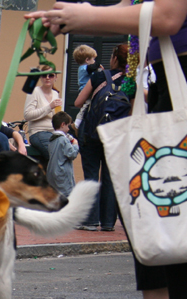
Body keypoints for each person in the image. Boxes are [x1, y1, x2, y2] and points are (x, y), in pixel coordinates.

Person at [28, 0, 187, 299]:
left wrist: (86, 17)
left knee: (177, 204)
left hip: (186, 68)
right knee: (145, 204)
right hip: (167, 73)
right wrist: (70, 15)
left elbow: (167, 16)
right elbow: (141, 8)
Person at [73, 44, 127, 232]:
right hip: (116, 135)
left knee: (91, 175)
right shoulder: (131, 82)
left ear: (114, 59)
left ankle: (90, 220)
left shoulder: (98, 76)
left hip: (92, 132)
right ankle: (108, 222)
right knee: (111, 177)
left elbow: (78, 101)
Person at [23, 64, 63, 162]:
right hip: (38, 132)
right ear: (40, 77)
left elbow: (56, 118)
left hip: (53, 132)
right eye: (44, 75)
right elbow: (27, 115)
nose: (47, 78)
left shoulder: (55, 94)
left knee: (66, 150)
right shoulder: (35, 91)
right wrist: (49, 107)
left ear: (56, 77)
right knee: (54, 154)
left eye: (51, 75)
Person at [47, 111, 79, 197]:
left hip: (52, 174)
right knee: (67, 197)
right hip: (63, 174)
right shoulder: (63, 140)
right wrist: (75, 144)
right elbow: (72, 154)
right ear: (63, 124)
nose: (68, 129)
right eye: (68, 125)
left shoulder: (51, 140)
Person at [72, 44, 100, 128]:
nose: (94, 61)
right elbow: (92, 67)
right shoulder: (83, 68)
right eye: (93, 59)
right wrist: (98, 65)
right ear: (87, 60)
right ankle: (76, 124)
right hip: (85, 91)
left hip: (89, 91)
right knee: (86, 106)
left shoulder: (85, 68)